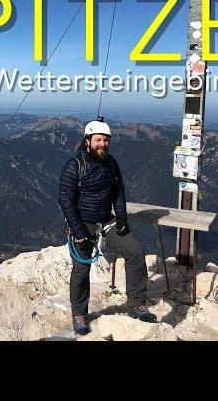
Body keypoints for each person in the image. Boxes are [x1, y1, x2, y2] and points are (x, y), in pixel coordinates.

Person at [58, 117, 157, 335]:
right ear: (87, 141)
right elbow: (65, 200)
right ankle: (80, 313)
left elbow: (118, 192)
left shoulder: (111, 163)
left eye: (106, 140)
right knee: (82, 269)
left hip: (106, 219)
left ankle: (137, 304)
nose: (103, 143)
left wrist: (121, 219)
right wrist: (77, 229)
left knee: (135, 253)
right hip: (83, 222)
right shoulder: (75, 164)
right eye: (98, 140)